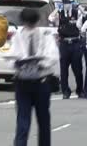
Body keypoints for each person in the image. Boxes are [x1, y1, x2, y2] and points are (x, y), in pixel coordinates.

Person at [7, 8, 59, 146]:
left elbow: (53, 55)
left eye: (31, 23)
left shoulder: (45, 35)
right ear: (23, 22)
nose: (29, 27)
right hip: (23, 82)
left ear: (36, 22)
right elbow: (12, 57)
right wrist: (18, 63)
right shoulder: (17, 36)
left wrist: (42, 63)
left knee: (43, 121)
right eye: (27, 23)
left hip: (41, 82)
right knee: (23, 121)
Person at [48, 0, 84, 99]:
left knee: (78, 69)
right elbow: (50, 18)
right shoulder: (59, 13)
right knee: (64, 70)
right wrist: (57, 9)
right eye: (65, 2)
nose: (67, 4)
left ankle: (80, 90)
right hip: (64, 44)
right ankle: (65, 91)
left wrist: (79, 6)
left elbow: (86, 14)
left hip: (75, 43)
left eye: (69, 2)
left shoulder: (76, 12)